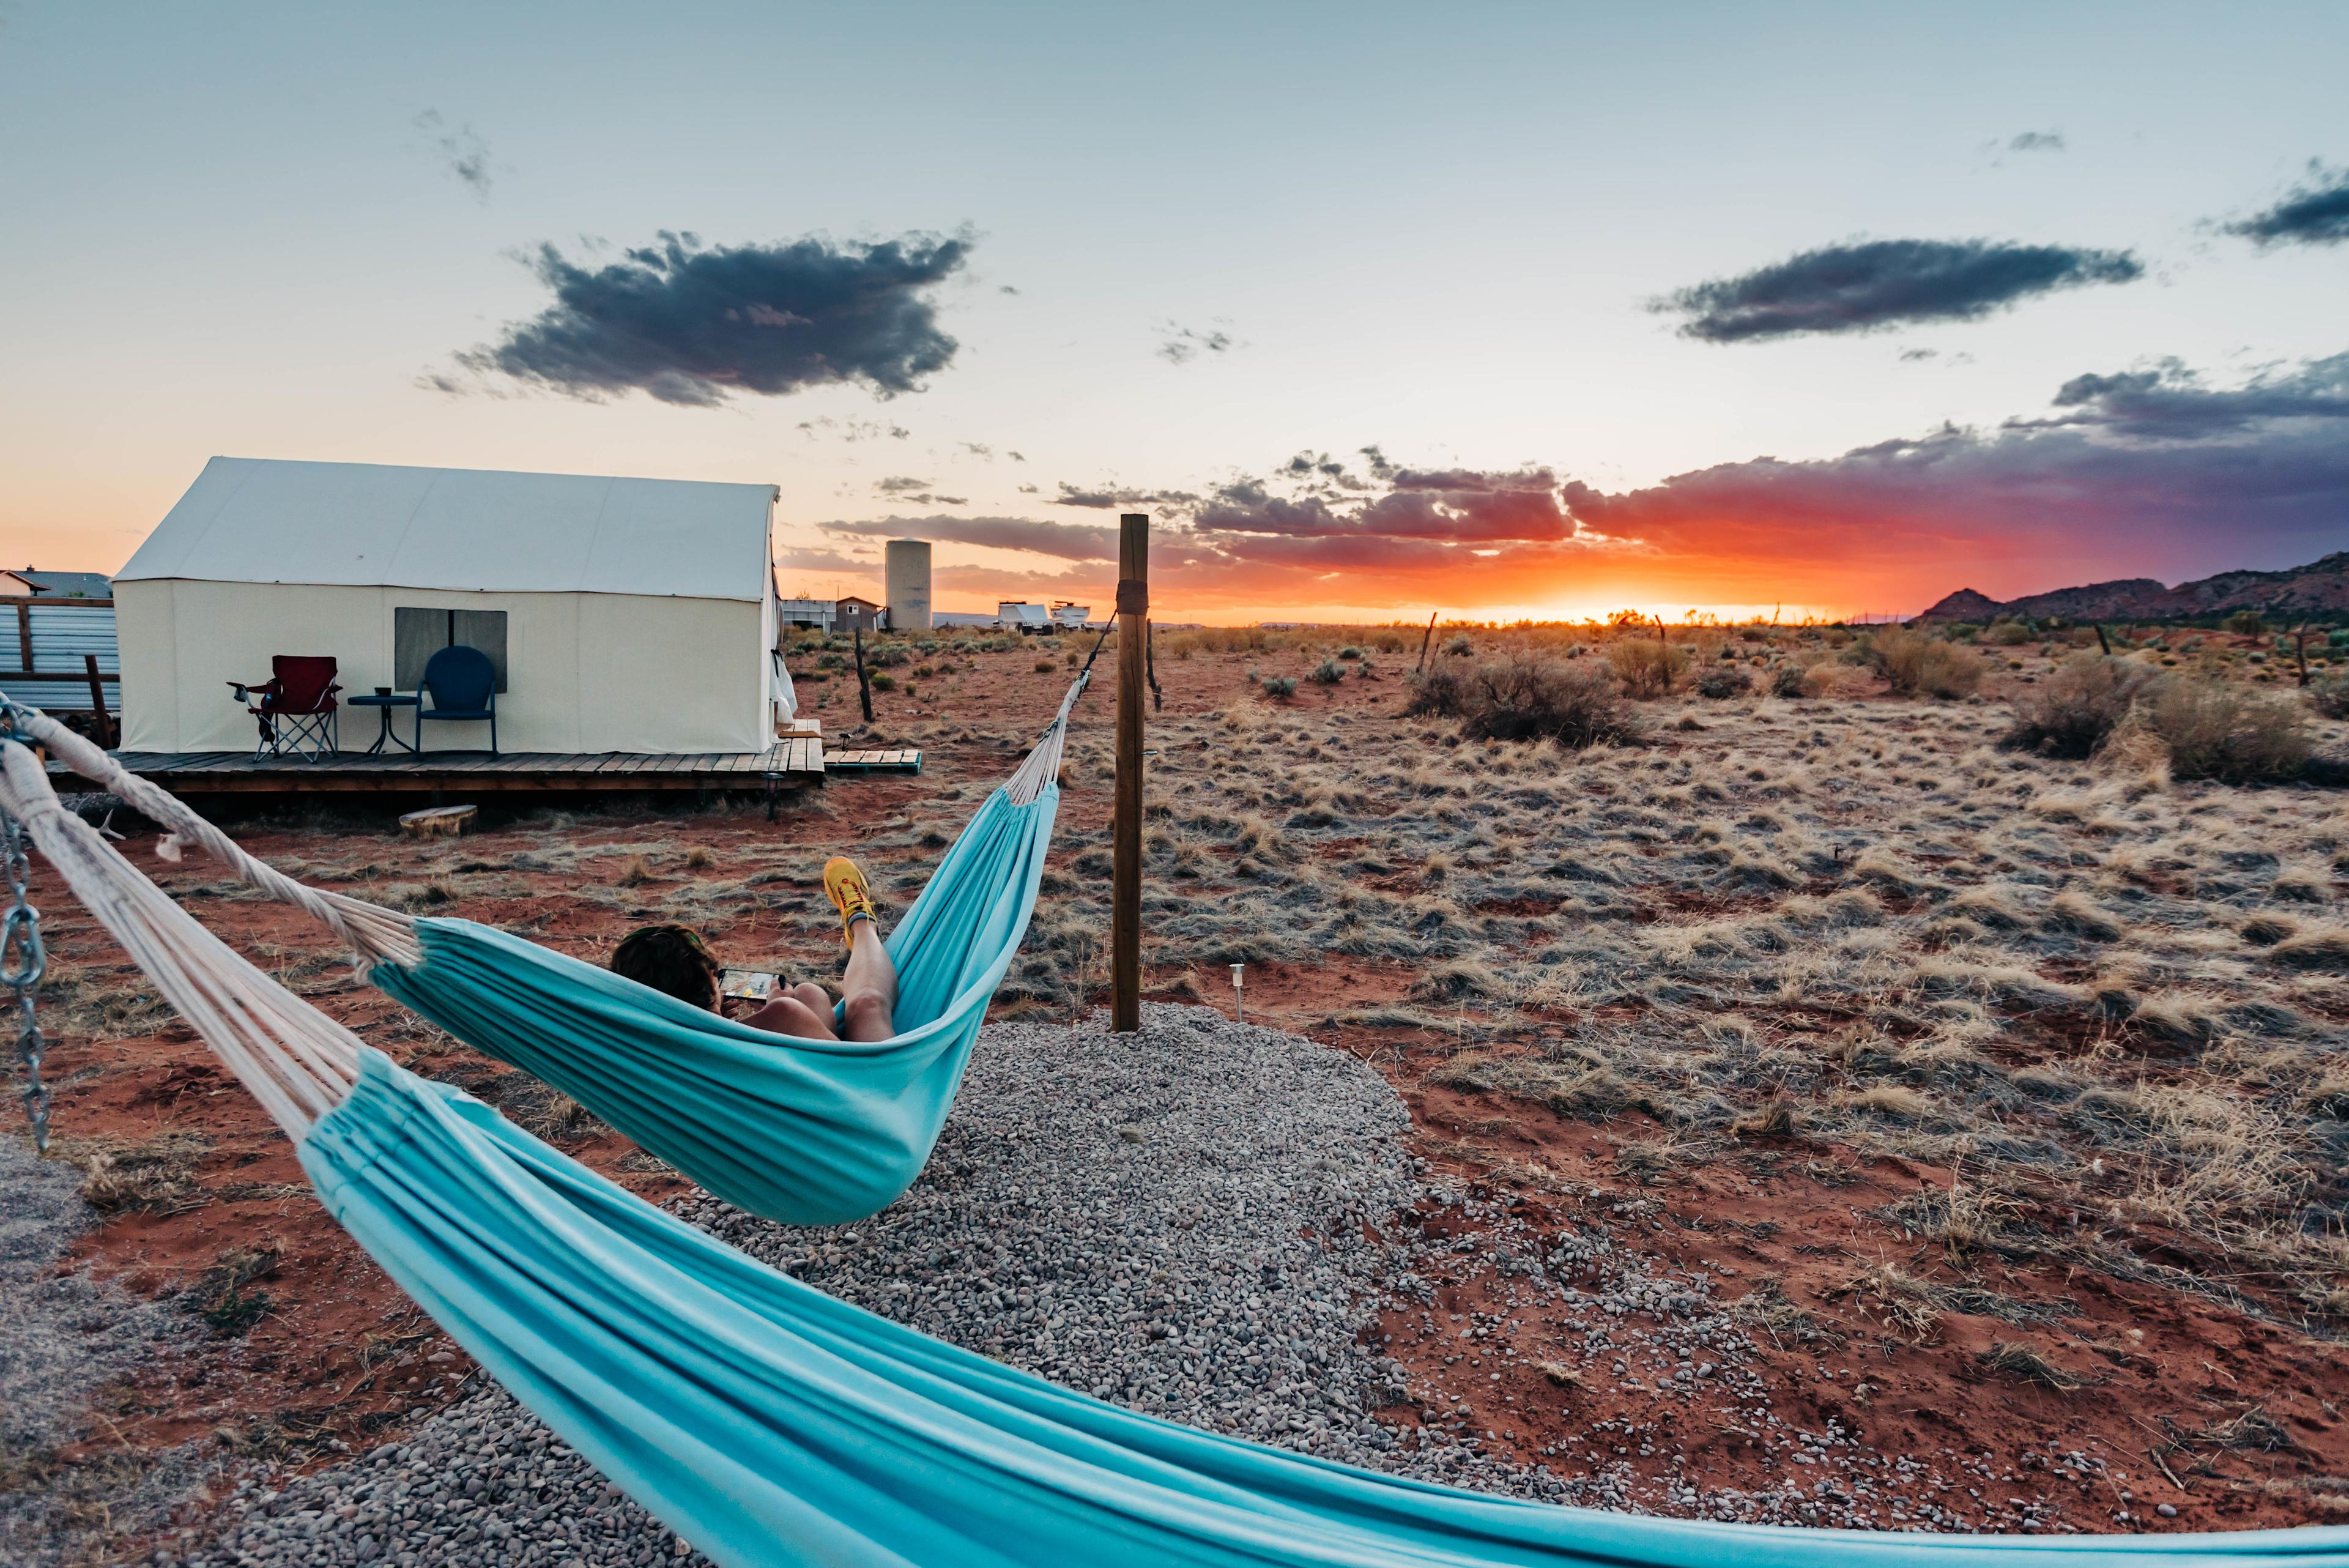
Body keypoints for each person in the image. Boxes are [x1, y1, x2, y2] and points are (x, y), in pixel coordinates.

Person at [609, 856, 898, 1042]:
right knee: (867, 1003)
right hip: (864, 1104)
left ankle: (860, 921)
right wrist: (778, 1006)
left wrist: (715, 1019)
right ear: (710, 976)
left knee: (809, 993)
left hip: (748, 1099)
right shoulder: (782, 1015)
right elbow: (850, 1076)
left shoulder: (648, 1050)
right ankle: (861, 921)